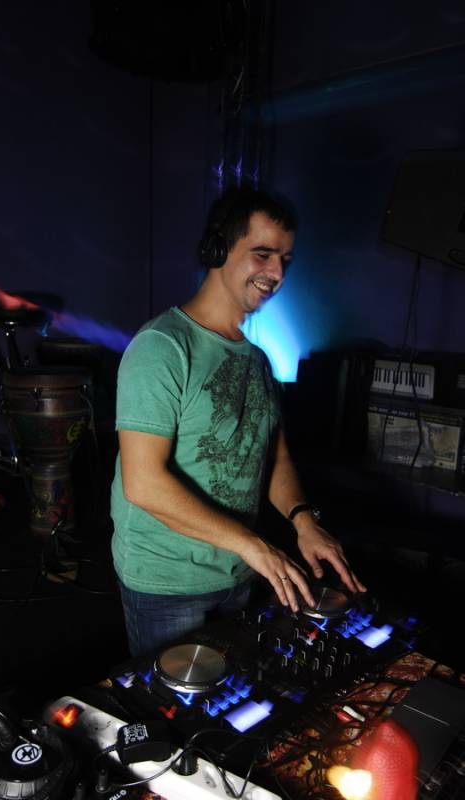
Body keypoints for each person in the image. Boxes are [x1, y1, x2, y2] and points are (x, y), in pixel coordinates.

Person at [111, 184, 366, 656]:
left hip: (240, 572)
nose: (277, 273)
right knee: (178, 700)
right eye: (263, 254)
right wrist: (254, 545)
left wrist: (303, 521)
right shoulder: (163, 347)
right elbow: (142, 484)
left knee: (240, 692)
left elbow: (274, 457)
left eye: (285, 260)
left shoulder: (259, 361)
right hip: (168, 581)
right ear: (217, 249)